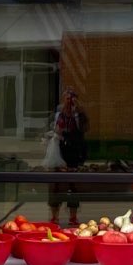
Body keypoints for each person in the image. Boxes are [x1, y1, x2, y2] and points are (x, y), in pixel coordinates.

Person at [47, 88, 90, 226]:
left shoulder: (79, 114)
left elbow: (85, 128)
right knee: (56, 185)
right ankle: (55, 216)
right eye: (67, 98)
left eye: (71, 98)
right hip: (59, 151)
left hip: (74, 153)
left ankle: (73, 216)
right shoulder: (58, 113)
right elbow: (51, 128)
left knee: (73, 185)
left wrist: (79, 110)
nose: (69, 101)